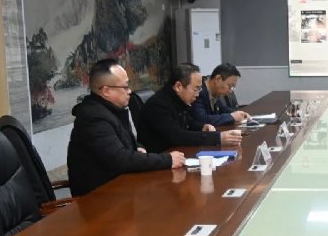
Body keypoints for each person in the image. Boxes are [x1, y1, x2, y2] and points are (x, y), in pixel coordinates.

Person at [67, 59, 185, 196]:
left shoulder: (113, 110)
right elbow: (119, 158)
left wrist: (137, 147)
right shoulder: (93, 118)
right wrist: (167, 160)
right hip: (99, 197)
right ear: (106, 91)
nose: (129, 91)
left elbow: (124, 140)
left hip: (119, 186)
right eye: (125, 87)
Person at [139, 63, 242, 153]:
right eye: (195, 89)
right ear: (178, 86)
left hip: (177, 153)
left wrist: (202, 127)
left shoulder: (179, 99)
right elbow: (178, 136)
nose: (197, 94)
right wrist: (218, 138)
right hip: (160, 158)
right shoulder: (158, 105)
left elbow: (188, 122)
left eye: (200, 89)